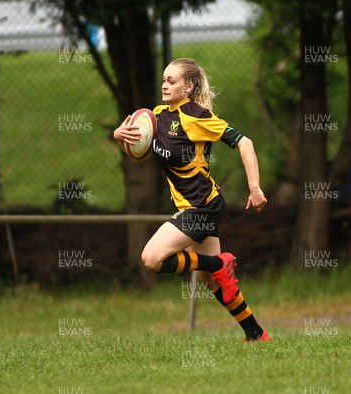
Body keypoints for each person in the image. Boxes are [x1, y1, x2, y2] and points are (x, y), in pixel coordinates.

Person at [113, 57, 270, 342]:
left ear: (189, 86)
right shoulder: (157, 115)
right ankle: (256, 333)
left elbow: (244, 142)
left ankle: (217, 264)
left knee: (152, 258)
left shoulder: (197, 117)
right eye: (163, 80)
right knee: (216, 283)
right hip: (192, 207)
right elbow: (136, 148)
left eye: (171, 81)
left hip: (202, 207)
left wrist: (255, 188)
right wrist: (119, 135)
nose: (164, 85)